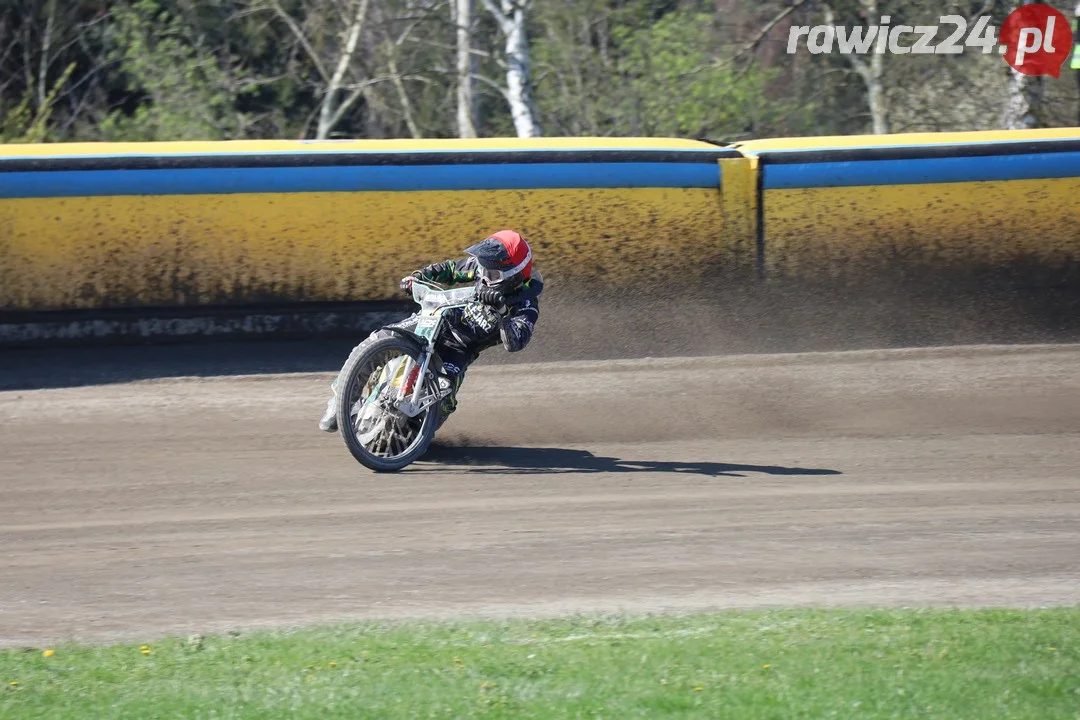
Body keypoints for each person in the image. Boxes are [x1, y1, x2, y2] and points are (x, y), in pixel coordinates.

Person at [319, 229, 543, 433]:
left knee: (444, 397)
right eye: (483, 268)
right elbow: (448, 270)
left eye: (492, 274)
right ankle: (340, 402)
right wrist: (418, 276)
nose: (484, 276)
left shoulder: (526, 305)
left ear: (514, 277)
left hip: (461, 348)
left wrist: (502, 311)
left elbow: (516, 342)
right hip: (436, 319)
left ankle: (416, 436)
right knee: (379, 339)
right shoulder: (480, 268)